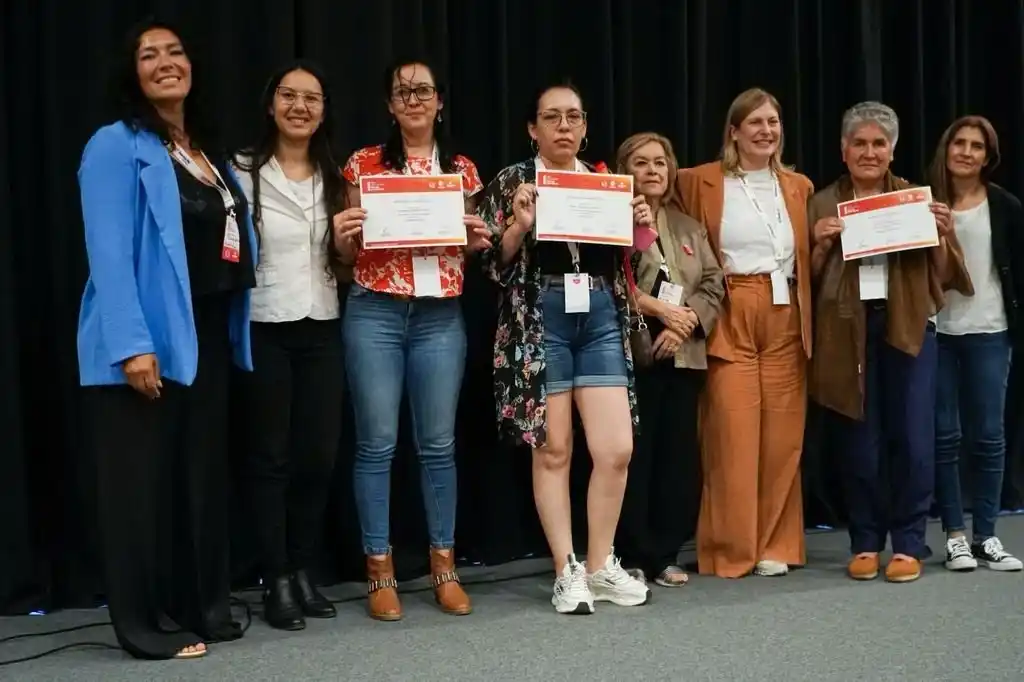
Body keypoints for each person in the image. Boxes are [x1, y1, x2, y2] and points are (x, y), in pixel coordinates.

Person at [77, 18, 256, 659]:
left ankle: (198, 606)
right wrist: (132, 344)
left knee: (194, 482)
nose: (164, 63)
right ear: (132, 74)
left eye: (175, 51)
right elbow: (108, 253)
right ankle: (143, 625)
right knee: (140, 492)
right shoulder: (114, 145)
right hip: (145, 341)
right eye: (148, 56)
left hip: (203, 334)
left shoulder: (201, 150)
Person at [478, 80, 652, 614]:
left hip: (599, 313)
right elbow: (490, 262)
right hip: (540, 319)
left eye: (573, 117)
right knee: (554, 449)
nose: (563, 127)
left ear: (585, 126)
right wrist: (518, 226)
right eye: (551, 118)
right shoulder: (513, 180)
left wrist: (639, 226)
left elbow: (632, 257)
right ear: (533, 129)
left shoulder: (605, 181)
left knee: (615, 449)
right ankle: (566, 569)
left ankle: (601, 565)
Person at [332, 57, 490, 621]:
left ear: (440, 101)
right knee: (376, 444)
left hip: (439, 316)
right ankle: (380, 568)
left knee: (439, 446)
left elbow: (467, 247)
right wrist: (344, 238)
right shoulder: (363, 164)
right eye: (403, 91)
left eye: (423, 90)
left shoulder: (463, 170)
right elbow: (349, 257)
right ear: (389, 105)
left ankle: (444, 567)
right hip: (375, 310)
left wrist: (477, 239)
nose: (414, 99)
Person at [808, 101, 971, 583]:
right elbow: (809, 282)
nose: (869, 152)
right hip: (846, 330)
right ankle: (864, 541)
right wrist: (819, 242)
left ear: (892, 150)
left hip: (905, 326)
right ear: (843, 150)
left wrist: (941, 235)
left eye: (879, 143)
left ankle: (908, 542)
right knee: (860, 441)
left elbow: (942, 277)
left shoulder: (915, 199)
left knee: (914, 440)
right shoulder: (821, 202)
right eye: (859, 143)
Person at [675, 88, 814, 579]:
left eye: (773, 122)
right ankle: (731, 549)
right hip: (731, 307)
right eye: (754, 122)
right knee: (729, 433)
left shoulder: (799, 186)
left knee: (782, 434)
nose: (766, 131)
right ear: (733, 131)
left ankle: (775, 542)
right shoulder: (698, 181)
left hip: (786, 311)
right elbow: (660, 215)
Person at [232, 61, 346, 630]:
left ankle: (303, 568)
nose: (300, 106)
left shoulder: (338, 175)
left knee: (317, 458)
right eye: (289, 96)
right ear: (271, 103)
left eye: (312, 98)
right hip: (266, 325)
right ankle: (274, 575)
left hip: (323, 324)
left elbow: (348, 262)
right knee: (270, 458)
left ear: (324, 110)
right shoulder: (240, 171)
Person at [613, 132, 724, 587]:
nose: (653, 170)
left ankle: (664, 553)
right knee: (635, 457)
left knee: (678, 458)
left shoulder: (687, 224)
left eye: (661, 162)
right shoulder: (614, 225)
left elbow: (715, 283)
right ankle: (631, 554)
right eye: (641, 163)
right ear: (625, 171)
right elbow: (616, 282)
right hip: (634, 351)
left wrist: (685, 323)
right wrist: (663, 313)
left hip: (684, 352)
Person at [929, 115, 1024, 572]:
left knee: (989, 437)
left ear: (989, 156)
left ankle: (987, 535)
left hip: (990, 330)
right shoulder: (922, 202)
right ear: (946, 149)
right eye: (959, 143)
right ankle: (955, 536)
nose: (966, 152)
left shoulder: (1005, 206)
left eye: (977, 146)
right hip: (937, 333)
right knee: (945, 438)